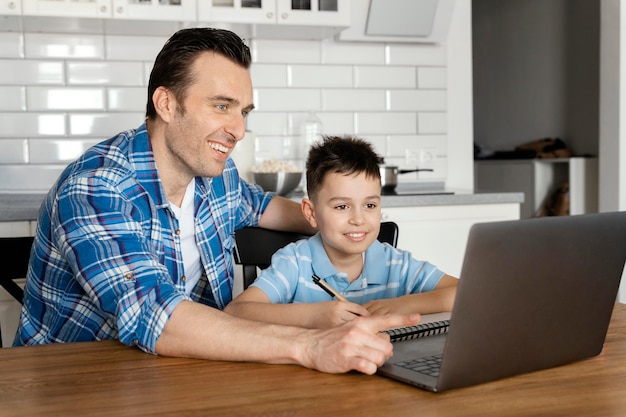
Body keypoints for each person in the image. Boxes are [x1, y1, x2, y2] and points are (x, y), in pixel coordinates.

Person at [13, 27, 420, 375]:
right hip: (73, 383)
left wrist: (337, 220)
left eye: (244, 111)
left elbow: (261, 207)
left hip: (181, 373)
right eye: (222, 106)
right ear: (167, 103)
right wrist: (309, 346)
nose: (239, 129)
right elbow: (159, 317)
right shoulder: (96, 189)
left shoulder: (216, 175)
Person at [225, 135, 458, 328]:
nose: (358, 219)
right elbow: (237, 311)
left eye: (370, 205)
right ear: (311, 213)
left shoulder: (396, 264)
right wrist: (314, 316)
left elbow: (466, 292)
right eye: (341, 206)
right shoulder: (295, 263)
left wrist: (401, 305)